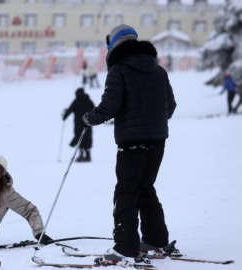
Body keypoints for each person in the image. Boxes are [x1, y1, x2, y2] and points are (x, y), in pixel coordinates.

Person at [82, 24, 178, 267]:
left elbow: (108, 107)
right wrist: (152, 121)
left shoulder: (119, 70)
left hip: (132, 142)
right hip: (158, 140)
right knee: (146, 188)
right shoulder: (158, 70)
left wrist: (89, 118)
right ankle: (156, 240)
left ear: (113, 45)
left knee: (126, 192)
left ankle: (125, 248)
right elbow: (171, 107)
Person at [63, 88, 95, 162]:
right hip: (88, 123)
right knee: (87, 138)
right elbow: (94, 110)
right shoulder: (88, 101)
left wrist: (64, 117)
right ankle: (88, 156)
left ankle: (81, 156)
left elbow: (70, 110)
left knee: (79, 138)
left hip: (78, 124)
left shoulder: (76, 101)